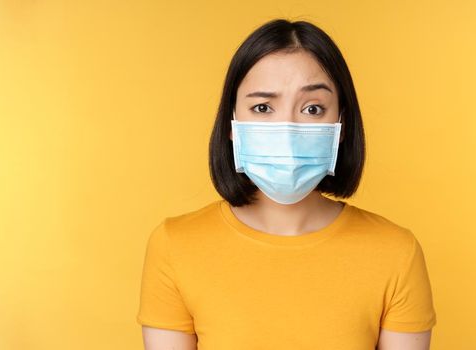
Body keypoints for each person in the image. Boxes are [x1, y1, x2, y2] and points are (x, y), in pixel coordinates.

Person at [136, 19, 437, 350]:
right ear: (232, 125)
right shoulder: (175, 246)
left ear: (341, 125)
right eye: (263, 107)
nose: (288, 129)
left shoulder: (396, 252)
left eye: (312, 108)